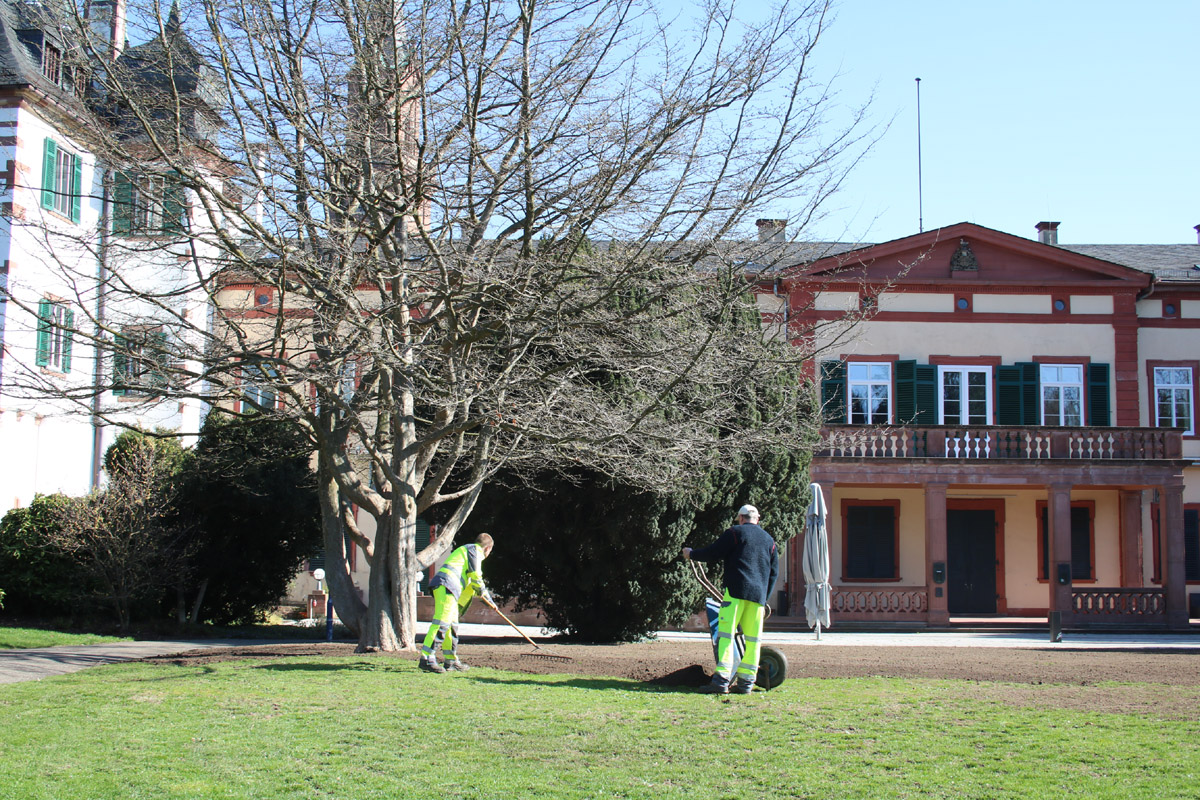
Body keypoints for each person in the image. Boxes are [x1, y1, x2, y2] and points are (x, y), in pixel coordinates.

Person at [682, 504, 778, 694]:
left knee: (726, 636)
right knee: (753, 640)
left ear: (741, 518)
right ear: (757, 519)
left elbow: (713, 552)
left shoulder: (735, 533)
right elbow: (774, 573)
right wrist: (763, 598)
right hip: (757, 599)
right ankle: (746, 683)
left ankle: (721, 681)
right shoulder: (769, 541)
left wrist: (692, 554)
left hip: (735, 593)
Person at [420, 533, 494, 673]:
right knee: (442, 622)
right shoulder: (474, 550)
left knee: (451, 625)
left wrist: (487, 600)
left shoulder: (468, 552)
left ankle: (451, 660)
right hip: (447, 586)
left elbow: (471, 585)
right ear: (488, 548)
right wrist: (486, 596)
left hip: (449, 588)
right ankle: (427, 658)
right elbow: (476, 576)